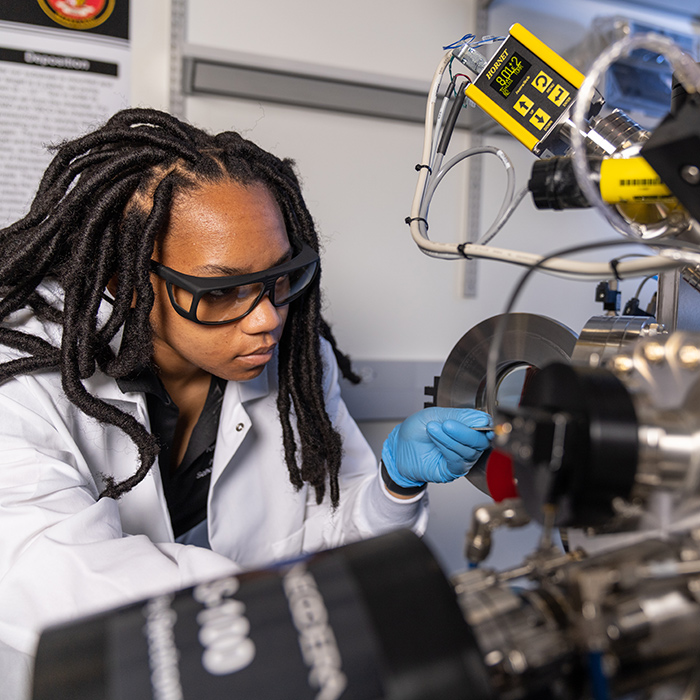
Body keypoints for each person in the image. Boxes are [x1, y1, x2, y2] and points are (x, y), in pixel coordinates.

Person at [0, 108, 492, 697]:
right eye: (222, 290)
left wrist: (392, 486)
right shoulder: (23, 378)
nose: (266, 320)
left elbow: (334, 538)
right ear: (125, 282)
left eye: (280, 278)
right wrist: (283, 602)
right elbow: (48, 571)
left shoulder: (294, 361)